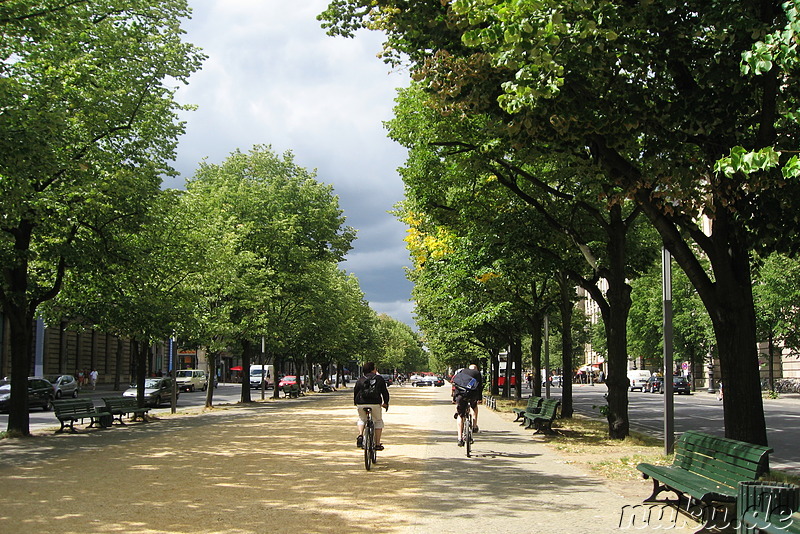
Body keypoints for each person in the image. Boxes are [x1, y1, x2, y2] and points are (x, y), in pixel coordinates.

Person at [354, 362, 389, 451]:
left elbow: (356, 392)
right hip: (375, 403)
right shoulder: (379, 379)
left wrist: (356, 402)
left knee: (362, 419)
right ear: (373, 369)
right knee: (378, 421)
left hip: (361, 403)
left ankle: (361, 435)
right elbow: (385, 392)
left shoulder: (360, 379)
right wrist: (385, 403)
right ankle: (377, 444)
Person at [451, 364, 483, 447]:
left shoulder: (461, 372)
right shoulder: (477, 373)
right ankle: (475, 425)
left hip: (461, 395)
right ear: (476, 369)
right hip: (472, 395)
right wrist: (480, 398)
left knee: (460, 415)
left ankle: (459, 438)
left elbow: (455, 386)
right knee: (474, 406)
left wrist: (454, 399)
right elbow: (480, 387)